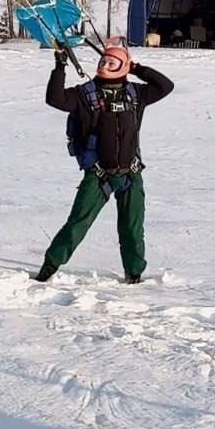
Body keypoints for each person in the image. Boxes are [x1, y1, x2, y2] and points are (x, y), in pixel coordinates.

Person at [33, 41, 173, 284]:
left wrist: (137, 68)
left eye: (111, 63)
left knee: (132, 228)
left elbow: (165, 86)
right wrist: (60, 66)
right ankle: (48, 268)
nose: (105, 66)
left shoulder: (137, 94)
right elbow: (55, 99)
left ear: (123, 66)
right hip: (98, 175)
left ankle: (134, 274)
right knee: (77, 223)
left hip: (130, 174)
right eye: (103, 61)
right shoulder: (85, 95)